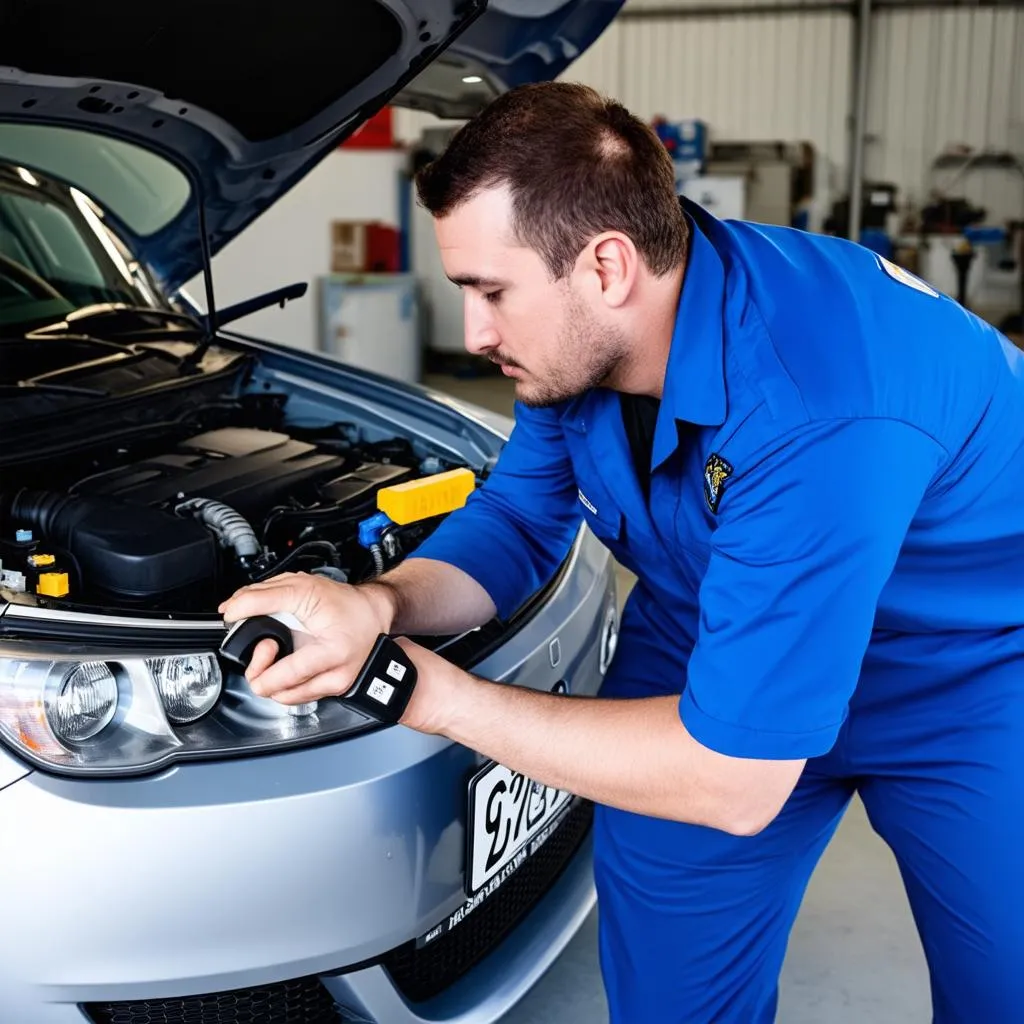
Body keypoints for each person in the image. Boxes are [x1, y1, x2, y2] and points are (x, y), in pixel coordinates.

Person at [218, 83, 1024, 1022]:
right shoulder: (577, 347)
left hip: (968, 674)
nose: (475, 333)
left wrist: (428, 693)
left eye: (491, 292)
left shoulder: (822, 400)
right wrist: (379, 604)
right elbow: (517, 522)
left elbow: (730, 780)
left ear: (606, 265)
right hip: (706, 638)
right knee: (672, 996)